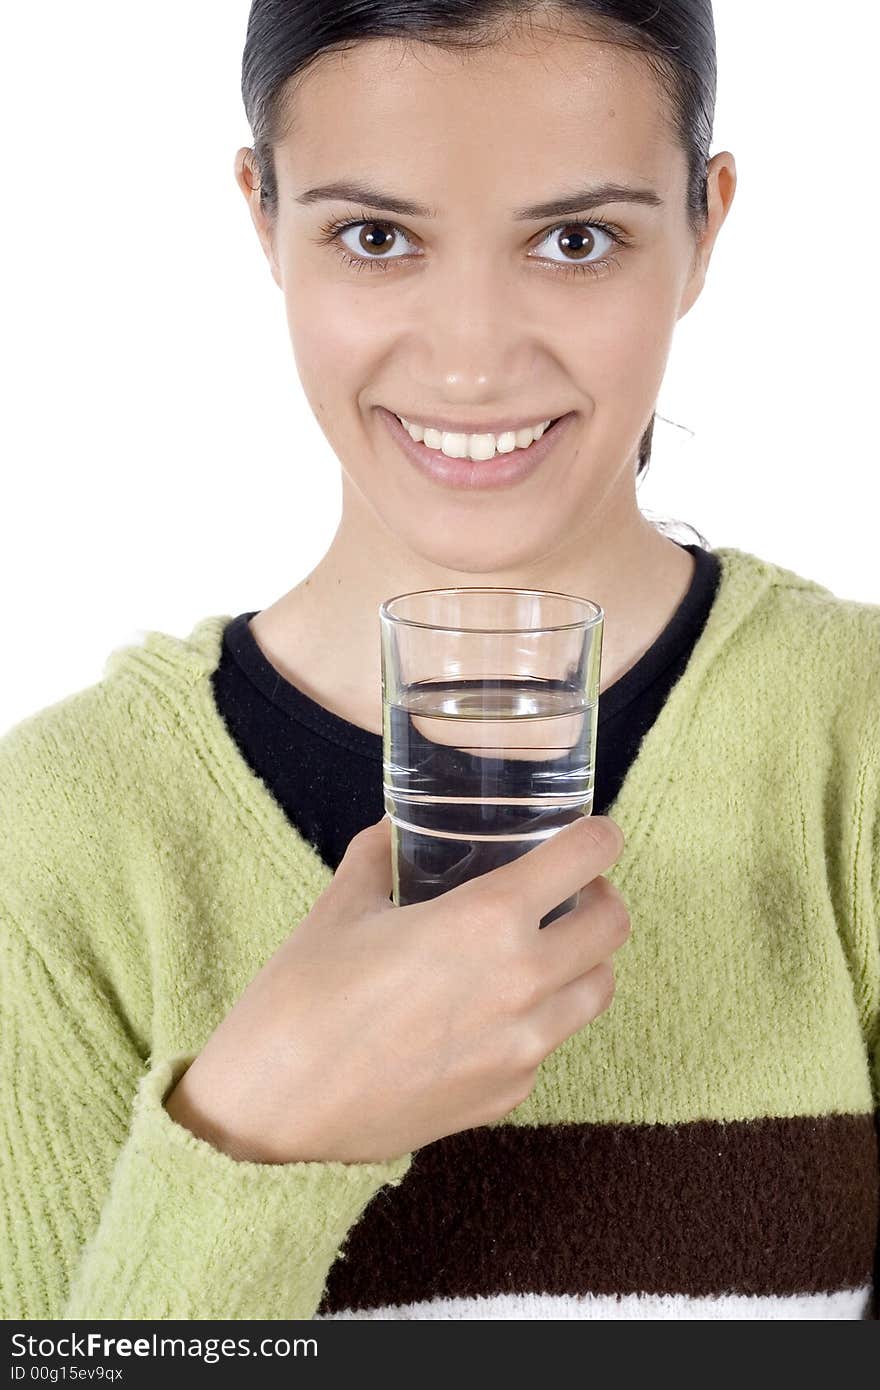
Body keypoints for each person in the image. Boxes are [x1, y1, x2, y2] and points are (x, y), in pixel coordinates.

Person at [1, 0, 877, 1323]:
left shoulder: (854, 742)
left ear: (706, 224)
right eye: (375, 236)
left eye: (577, 240)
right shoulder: (53, 840)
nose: (472, 362)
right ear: (262, 215)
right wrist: (258, 1129)